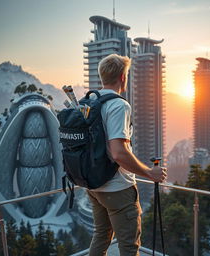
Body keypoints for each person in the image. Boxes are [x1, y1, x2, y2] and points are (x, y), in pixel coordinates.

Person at [87, 54, 167, 256]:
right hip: (117, 188)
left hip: (93, 184)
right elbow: (118, 152)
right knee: (129, 246)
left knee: (101, 235)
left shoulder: (91, 102)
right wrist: (150, 173)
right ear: (123, 77)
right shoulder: (119, 105)